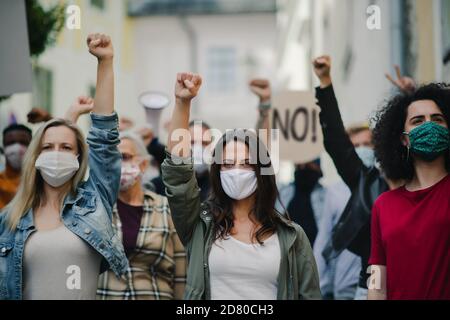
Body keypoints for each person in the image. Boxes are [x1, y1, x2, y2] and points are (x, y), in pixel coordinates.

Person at [161, 72, 321, 300]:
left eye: (246, 164)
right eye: (227, 164)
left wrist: (265, 106)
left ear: (261, 171)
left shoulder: (292, 236)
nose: (236, 171)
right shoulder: (199, 227)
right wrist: (182, 103)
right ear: (217, 172)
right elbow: (177, 176)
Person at [0, 33, 128, 300]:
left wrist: (105, 62)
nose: (56, 154)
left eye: (66, 148)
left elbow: (104, 139)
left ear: (79, 157)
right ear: (35, 156)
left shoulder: (94, 202)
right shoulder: (11, 218)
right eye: (47, 147)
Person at [311, 55, 392, 300]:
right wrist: (325, 82)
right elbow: (336, 141)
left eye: (370, 144)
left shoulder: (419, 183)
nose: (364, 149)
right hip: (368, 284)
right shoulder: (367, 182)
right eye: (358, 145)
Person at [368, 83, 450, 300]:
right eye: (418, 121)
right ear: (404, 138)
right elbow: (377, 279)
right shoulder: (383, 205)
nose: (429, 125)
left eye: (438, 119)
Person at [97, 131, 186, 300]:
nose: (117, 164)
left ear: (143, 164)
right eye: (111, 158)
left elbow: (181, 272)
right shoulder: (97, 208)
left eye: (124, 156)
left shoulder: (166, 208)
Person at [277, 160, 325, 247]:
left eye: (309, 166)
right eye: (300, 166)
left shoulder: (326, 196)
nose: (304, 168)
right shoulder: (283, 193)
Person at [0, 124, 32, 209]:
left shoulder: (40, 183)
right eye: (11, 143)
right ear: (3, 149)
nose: (18, 148)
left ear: (32, 148)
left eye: (23, 142)